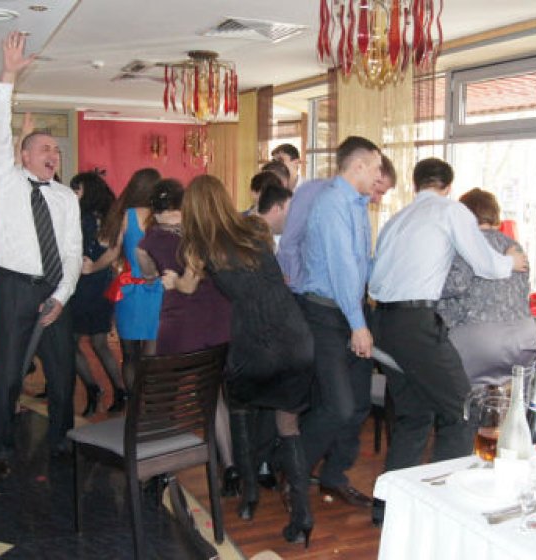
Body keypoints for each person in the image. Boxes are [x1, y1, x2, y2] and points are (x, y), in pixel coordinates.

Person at [368, 158, 528, 524]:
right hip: (416, 324)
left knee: (414, 417)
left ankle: (387, 507)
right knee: (462, 413)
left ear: (415, 185)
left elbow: (374, 279)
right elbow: (485, 264)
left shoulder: (396, 219)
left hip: (383, 323)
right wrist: (511, 263)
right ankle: (438, 509)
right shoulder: (451, 211)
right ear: (448, 187)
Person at [166, 174, 315, 547]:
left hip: (253, 340)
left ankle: (249, 498)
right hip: (294, 334)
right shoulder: (255, 229)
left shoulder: (199, 247)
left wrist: (172, 282)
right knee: (288, 425)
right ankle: (302, 515)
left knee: (240, 413)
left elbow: (188, 286)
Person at [0, 32, 82, 471]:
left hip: (54, 289)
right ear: (24, 155)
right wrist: (7, 76)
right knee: (7, 373)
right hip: (12, 288)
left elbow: (73, 250)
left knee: (62, 373)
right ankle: (0, 446)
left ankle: (62, 440)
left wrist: (61, 297)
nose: (53, 155)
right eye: (45, 148)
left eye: (56, 150)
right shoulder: (6, 183)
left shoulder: (65, 197)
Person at [135, 179, 239, 496]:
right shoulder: (204, 232)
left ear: (154, 209)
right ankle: (231, 467)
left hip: (180, 327)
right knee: (213, 397)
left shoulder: (147, 242)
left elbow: (149, 276)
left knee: (164, 399)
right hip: (219, 323)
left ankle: (159, 472)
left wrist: (161, 276)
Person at [297, 136, 384, 509]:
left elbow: (362, 265)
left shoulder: (357, 204)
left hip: (349, 310)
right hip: (326, 314)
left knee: (359, 403)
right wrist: (358, 324)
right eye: (376, 168)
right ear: (359, 166)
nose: (379, 176)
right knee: (338, 406)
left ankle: (334, 475)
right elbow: (342, 269)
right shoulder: (333, 204)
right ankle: (294, 473)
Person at [438, 188, 536, 451]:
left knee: (466, 410)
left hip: (478, 339)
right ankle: (512, 457)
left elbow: (451, 288)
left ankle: (465, 458)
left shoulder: (464, 246)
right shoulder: (514, 246)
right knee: (515, 412)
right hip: (524, 336)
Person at [97, 167, 163, 411]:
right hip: (157, 289)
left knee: (129, 354)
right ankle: (153, 404)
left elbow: (112, 253)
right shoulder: (162, 216)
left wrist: (91, 267)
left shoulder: (126, 215)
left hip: (130, 289)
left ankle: (135, 404)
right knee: (153, 353)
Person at [277, 154, 396, 289]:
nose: (377, 200)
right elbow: (289, 241)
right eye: (378, 191)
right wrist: (298, 284)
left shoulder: (358, 207)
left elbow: (359, 259)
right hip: (312, 294)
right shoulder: (313, 191)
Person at [67, 172, 124, 416]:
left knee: (72, 342)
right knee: (99, 342)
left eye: (77, 189)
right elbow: (113, 251)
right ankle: (119, 391)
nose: (74, 194)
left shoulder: (84, 218)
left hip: (84, 283)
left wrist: (91, 267)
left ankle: (93, 388)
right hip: (102, 282)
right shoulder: (111, 216)